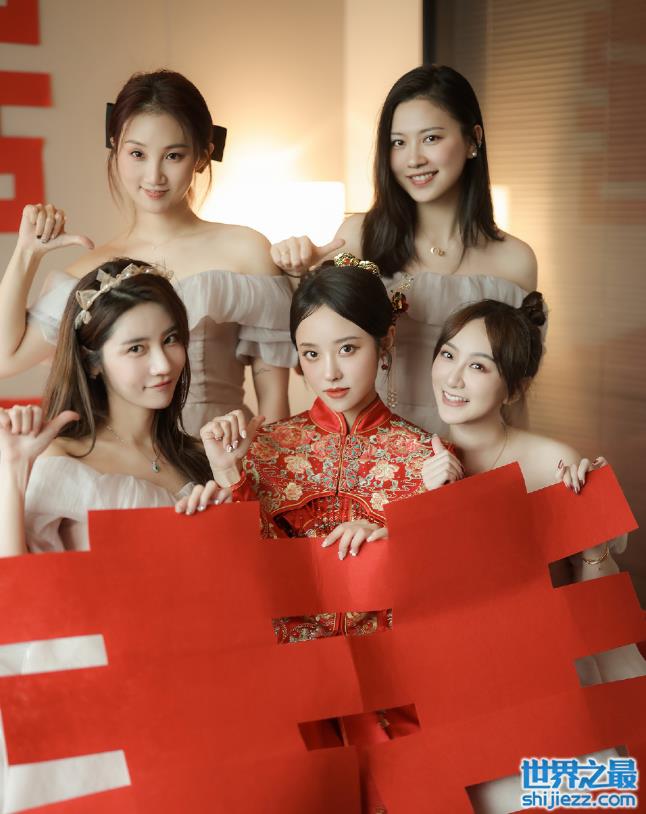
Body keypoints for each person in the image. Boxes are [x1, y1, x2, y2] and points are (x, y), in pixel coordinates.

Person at [189, 257, 447, 814]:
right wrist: (228, 475)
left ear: (385, 341)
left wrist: (408, 528)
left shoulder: (426, 457)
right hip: (283, 680)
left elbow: (447, 593)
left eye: (347, 349)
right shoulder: (264, 447)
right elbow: (243, 579)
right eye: (311, 354)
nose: (329, 372)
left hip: (387, 682)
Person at [0, 70, 293, 436]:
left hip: (220, 456)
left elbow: (274, 406)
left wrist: (267, 468)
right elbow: (5, 359)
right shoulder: (92, 271)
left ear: (203, 156)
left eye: (173, 155)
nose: (154, 176)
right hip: (120, 461)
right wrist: (27, 254)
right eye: (137, 153)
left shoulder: (245, 250)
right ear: (115, 148)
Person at [270, 64, 537, 432]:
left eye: (431, 138)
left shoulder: (515, 260)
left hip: (476, 453)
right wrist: (297, 273)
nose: (413, 159)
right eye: (398, 142)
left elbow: (515, 395)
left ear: (473, 139)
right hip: (378, 452)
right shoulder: (358, 238)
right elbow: (314, 345)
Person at [0, 257, 227, 559]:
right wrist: (14, 467)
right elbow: (16, 580)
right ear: (92, 362)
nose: (163, 365)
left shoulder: (202, 455)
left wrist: (227, 476)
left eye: (170, 339)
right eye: (136, 348)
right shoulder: (61, 460)